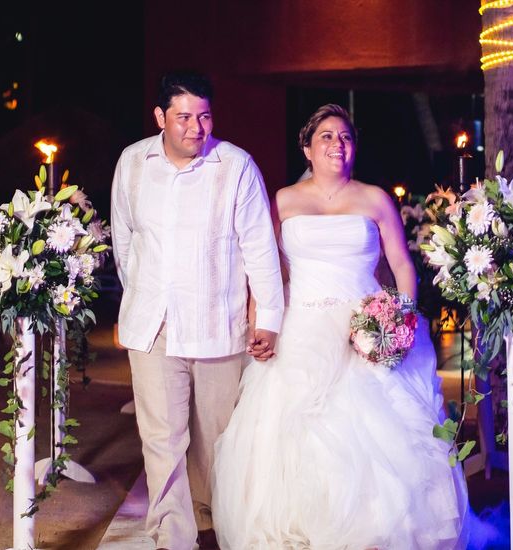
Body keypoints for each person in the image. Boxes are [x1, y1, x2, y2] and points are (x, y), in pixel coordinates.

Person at [212, 104, 469, 549]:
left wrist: (400, 318)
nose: (338, 144)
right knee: (295, 428)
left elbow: (402, 265)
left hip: (366, 325)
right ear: (307, 148)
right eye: (327, 136)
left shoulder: (374, 198)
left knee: (381, 433)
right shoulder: (283, 201)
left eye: (346, 137)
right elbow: (264, 269)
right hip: (301, 325)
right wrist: (260, 320)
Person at [111, 72, 284, 549]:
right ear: (160, 117)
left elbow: (260, 250)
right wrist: (141, 297)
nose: (195, 127)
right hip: (154, 329)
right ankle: (173, 537)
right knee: (161, 441)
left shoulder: (236, 167)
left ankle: (212, 521)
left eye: (204, 116)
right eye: (184, 117)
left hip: (217, 326)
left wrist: (267, 319)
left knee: (216, 444)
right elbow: (124, 241)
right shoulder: (132, 163)